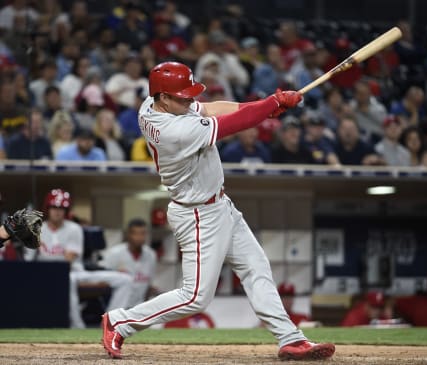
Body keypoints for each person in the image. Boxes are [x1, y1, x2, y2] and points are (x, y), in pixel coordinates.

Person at [101, 61, 335, 361]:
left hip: (219, 204)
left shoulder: (154, 103)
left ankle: (290, 339)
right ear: (163, 98)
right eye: (182, 96)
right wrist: (270, 105)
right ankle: (120, 321)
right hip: (197, 214)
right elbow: (231, 125)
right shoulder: (174, 130)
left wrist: (262, 106)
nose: (189, 100)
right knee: (195, 297)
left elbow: (210, 109)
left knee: (256, 267)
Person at [25, 189, 134, 328]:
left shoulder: (74, 228)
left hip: (75, 272)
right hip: (44, 275)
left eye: (61, 208)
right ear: (48, 208)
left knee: (125, 280)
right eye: (54, 207)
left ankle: (110, 324)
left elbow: (68, 260)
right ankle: (77, 326)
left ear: (66, 211)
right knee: (66, 279)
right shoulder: (37, 228)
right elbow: (27, 262)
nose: (57, 211)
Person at [102, 218, 157, 309]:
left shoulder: (151, 255)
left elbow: (148, 285)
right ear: (128, 234)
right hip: (116, 309)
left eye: (142, 233)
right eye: (135, 233)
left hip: (138, 309)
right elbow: (103, 283)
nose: (139, 237)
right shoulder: (114, 253)